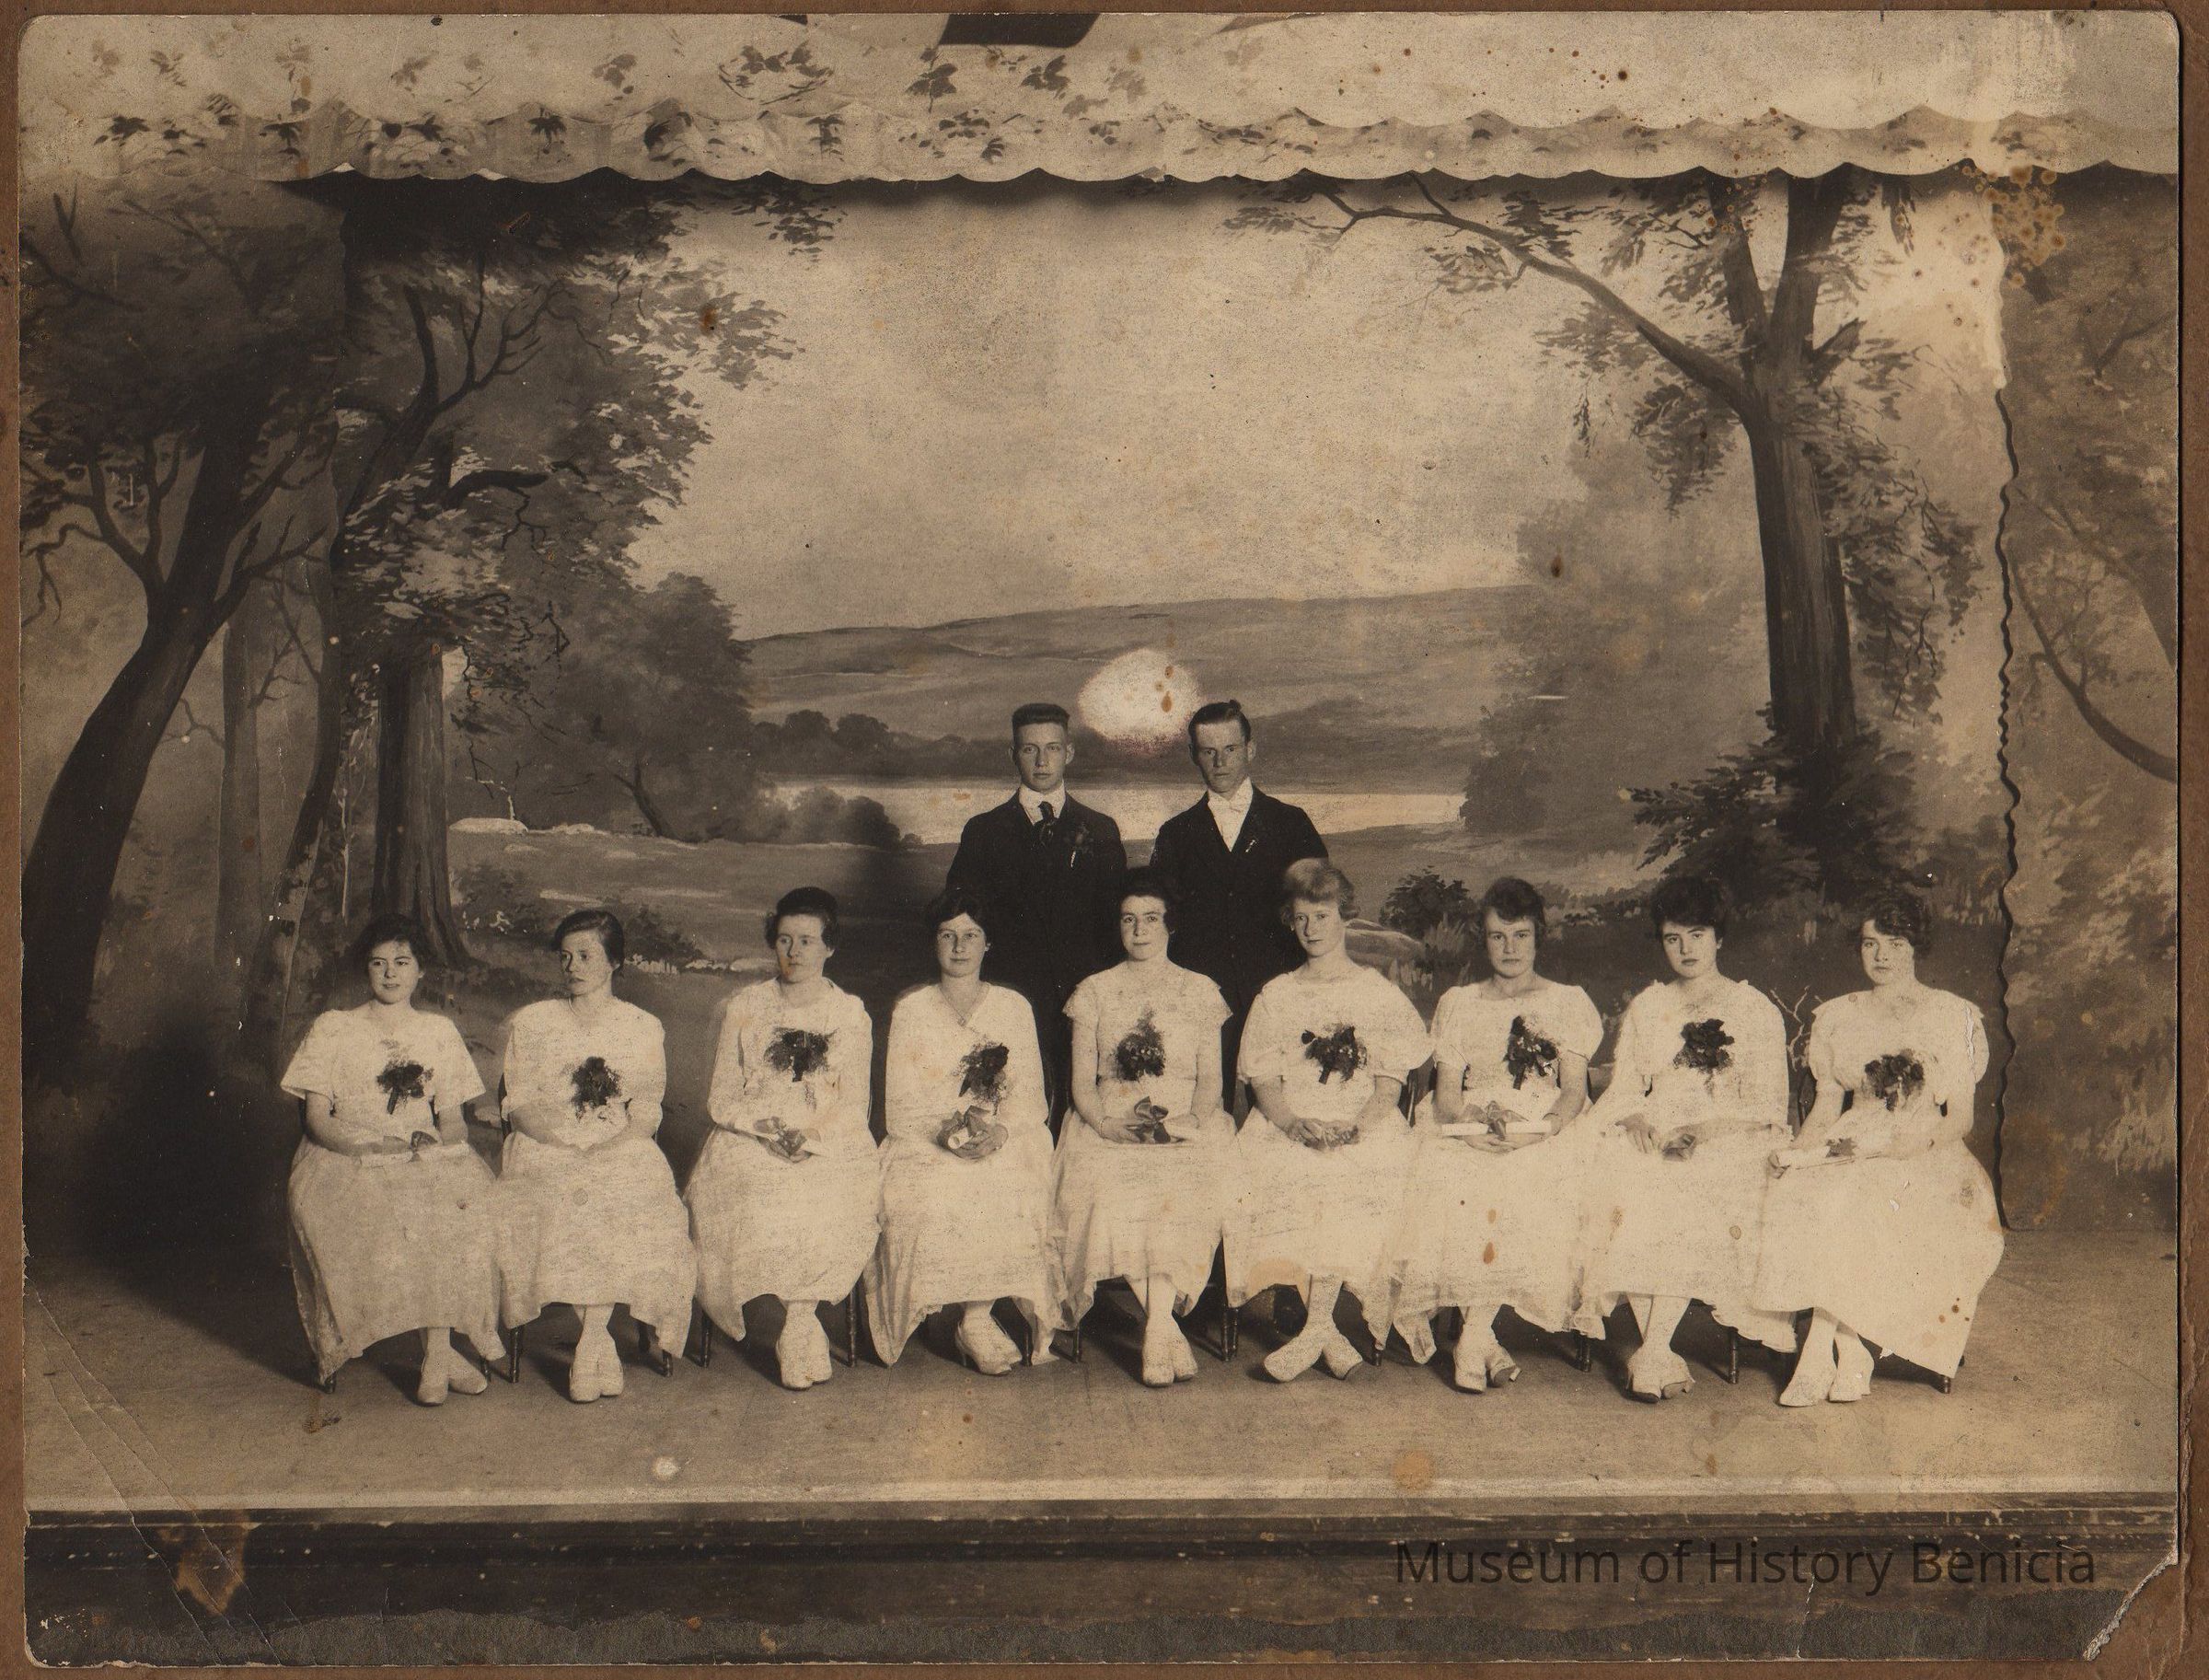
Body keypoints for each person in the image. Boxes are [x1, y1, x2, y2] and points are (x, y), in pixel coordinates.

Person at [1757, 891, 2003, 1405]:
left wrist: (1916, 1140)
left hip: (1924, 1148)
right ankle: (1851, 1352)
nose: (1882, 955)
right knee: (1811, 1193)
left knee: (1864, 1198)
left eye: (1895, 943)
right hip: (1853, 1139)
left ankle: (1820, 1351)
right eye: (1871, 943)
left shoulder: (1951, 1014)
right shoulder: (1838, 1015)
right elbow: (1826, 1108)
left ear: (1916, 946)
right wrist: (1798, 1154)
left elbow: (1961, 1118)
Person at [1574, 875, 1798, 1401]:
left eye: (1697, 935)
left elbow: (1767, 1105)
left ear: (1719, 938)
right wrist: (1635, 1118)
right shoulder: (1649, 1006)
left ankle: (1652, 1350)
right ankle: (1658, 1351)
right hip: (1658, 1126)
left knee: (1685, 1187)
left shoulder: (1754, 1009)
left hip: (1730, 1134)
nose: (1686, 949)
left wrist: (1703, 1131)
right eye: (1673, 938)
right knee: (1622, 1172)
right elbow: (1627, 1086)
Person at [1391, 878, 1604, 1391]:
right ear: (1483, 940)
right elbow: (1446, 1094)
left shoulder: (1568, 1001)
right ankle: (1483, 1340)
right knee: (1452, 1175)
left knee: (1523, 1180)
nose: (1509, 948)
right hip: (1473, 1120)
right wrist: (1467, 1128)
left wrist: (1537, 1131)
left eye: (1520, 935)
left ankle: (1472, 1338)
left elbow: (1572, 1092)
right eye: (1497, 936)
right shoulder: (1460, 1002)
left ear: (1538, 937)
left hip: (1544, 1127)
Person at [278, 914, 501, 1404]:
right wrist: (365, 1148)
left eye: (402, 962)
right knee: (390, 1209)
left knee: (454, 1208)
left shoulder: (439, 1031)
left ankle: (437, 1354)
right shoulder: (334, 1027)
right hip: (346, 1152)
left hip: (420, 1152)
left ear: (420, 970)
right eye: (378, 963)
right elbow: (316, 1118)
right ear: (366, 969)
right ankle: (438, 1357)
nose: (390, 973)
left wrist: (435, 1144)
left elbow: (454, 1121)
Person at [1228, 860, 1430, 1382]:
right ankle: (1325, 1334)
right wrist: (1292, 1124)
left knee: (1349, 1177)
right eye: (1301, 918)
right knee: (1283, 1174)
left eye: (1322, 915)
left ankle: (1315, 1330)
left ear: (1345, 917)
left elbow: (1389, 1084)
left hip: (1362, 1125)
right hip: (1291, 1125)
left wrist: (1356, 1128)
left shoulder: (1376, 993)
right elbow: (1263, 1081)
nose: (1311, 928)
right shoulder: (1277, 994)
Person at [492, 909, 697, 1404]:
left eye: (585, 956)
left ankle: (592, 1337)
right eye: (565, 957)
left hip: (617, 1141)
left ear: (614, 962)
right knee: (560, 1194)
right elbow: (519, 1105)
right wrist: (558, 1142)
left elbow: (645, 1110)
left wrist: (611, 1145)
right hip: (546, 1142)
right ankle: (596, 1342)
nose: (573, 967)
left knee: (629, 1193)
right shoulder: (533, 1022)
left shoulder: (642, 1026)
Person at [687, 887, 879, 1391]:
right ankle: (800, 1327)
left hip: (828, 1134)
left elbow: (855, 1103)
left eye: (807, 941)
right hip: (752, 1133)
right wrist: (767, 1131)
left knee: (827, 1192)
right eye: (785, 940)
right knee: (758, 1187)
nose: (794, 952)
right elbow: (721, 1098)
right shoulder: (746, 1005)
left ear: (829, 947)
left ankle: (797, 1321)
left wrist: (811, 1137)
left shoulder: (849, 1013)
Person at [1052, 868, 1234, 1386]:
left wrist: (1188, 1123)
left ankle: (1155, 1328)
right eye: (1129, 919)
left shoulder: (1199, 990)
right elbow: (1082, 1083)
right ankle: (1164, 1329)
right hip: (1110, 1122)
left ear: (1170, 925)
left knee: (1176, 1190)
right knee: (1113, 1189)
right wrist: (1106, 1124)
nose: (1139, 930)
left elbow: (1211, 1081)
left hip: (1184, 1121)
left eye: (1151, 919)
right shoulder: (1094, 991)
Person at [865, 886, 1057, 1373]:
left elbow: (1030, 1097)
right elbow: (900, 1106)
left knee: (1006, 1185)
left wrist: (999, 1132)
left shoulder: (1013, 1007)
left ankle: (975, 1317)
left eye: (970, 935)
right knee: (936, 1190)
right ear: (934, 942)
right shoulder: (912, 1009)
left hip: (1000, 1136)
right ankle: (970, 1322)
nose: (958, 946)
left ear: (987, 943)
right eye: (947, 935)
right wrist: (946, 1134)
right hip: (927, 1138)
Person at [945, 701, 1126, 1127]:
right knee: (1015, 1107)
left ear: (1070, 752)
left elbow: (1115, 923)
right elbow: (961, 922)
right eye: (1029, 750)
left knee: (1084, 1110)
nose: (1042, 761)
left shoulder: (1101, 829)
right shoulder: (983, 831)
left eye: (1052, 748)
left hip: (1085, 994)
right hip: (1013, 994)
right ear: (1013, 754)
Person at [1147, 700, 1327, 1106]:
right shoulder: (1175, 833)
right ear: (1193, 755)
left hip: (1277, 990)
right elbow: (1161, 922)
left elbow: (1320, 913)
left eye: (1230, 749)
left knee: (1285, 1108)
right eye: (1208, 751)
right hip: (1202, 997)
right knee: (1204, 1109)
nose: (1220, 761)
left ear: (1251, 749)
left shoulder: (1291, 824)